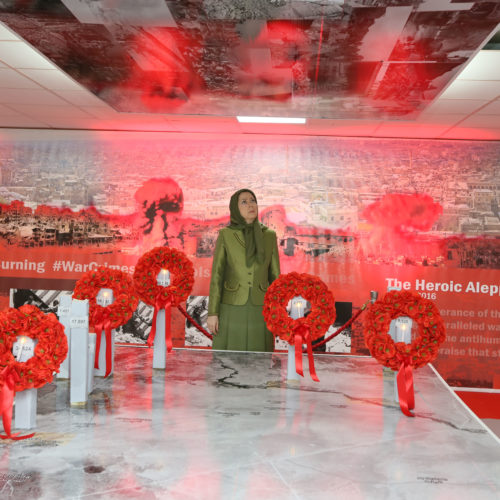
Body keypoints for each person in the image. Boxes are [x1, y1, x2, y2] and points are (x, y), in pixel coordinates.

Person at [207, 189, 280, 351]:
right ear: (235, 208)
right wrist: (213, 313)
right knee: (228, 361)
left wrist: (278, 313)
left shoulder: (269, 236)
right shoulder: (226, 234)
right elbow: (217, 276)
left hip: (261, 307)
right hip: (231, 306)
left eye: (252, 200)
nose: (250, 205)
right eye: (244, 202)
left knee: (259, 358)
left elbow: (275, 277)